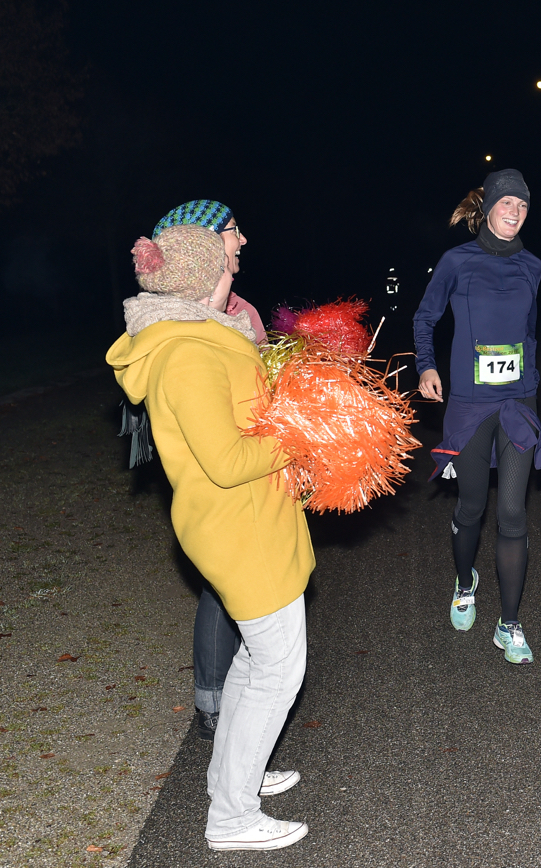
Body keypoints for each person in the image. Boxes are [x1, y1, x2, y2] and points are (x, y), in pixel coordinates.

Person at [107, 223, 312, 850]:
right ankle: (230, 817)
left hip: (254, 519)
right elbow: (223, 461)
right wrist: (302, 436)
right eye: (225, 267)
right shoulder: (187, 353)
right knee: (279, 668)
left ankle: (232, 779)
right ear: (199, 281)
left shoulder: (203, 336)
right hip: (238, 527)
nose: (235, 273)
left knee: (254, 661)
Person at [414, 169, 541, 664]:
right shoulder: (456, 261)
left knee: (512, 513)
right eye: (507, 203)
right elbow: (425, 318)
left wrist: (530, 377)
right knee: (471, 507)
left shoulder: (532, 266)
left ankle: (509, 624)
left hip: (518, 402)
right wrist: (427, 365)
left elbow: (530, 330)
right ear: (487, 206)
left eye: (522, 206)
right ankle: (464, 582)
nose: (514, 212)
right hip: (469, 404)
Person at [150, 200, 265, 742]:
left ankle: (232, 704)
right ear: (201, 243)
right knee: (222, 583)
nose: (242, 241)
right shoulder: (182, 320)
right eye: (233, 232)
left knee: (236, 585)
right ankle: (216, 705)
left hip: (251, 474)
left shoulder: (239, 307)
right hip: (218, 475)